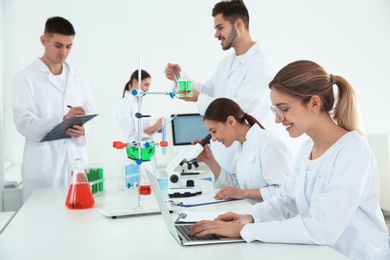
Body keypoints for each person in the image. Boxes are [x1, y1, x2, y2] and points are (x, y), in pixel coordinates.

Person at [189, 60, 390, 259]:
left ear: (314, 103)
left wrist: (244, 231)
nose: (277, 119)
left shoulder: (352, 151)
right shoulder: (308, 148)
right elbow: (287, 201)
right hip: (321, 253)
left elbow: (322, 228)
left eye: (283, 109)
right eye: (275, 110)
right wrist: (250, 218)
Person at [164, 0, 277, 173]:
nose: (216, 34)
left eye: (220, 27)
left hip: (250, 155)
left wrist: (197, 97)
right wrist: (181, 81)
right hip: (224, 158)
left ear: (238, 24)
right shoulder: (227, 63)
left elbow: (238, 111)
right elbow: (209, 91)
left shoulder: (261, 64)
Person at [11, 16, 97, 201]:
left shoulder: (78, 78)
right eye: (58, 45)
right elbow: (24, 124)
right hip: (44, 168)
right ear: (44, 40)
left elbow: (92, 118)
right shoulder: (25, 79)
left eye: (69, 46)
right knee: (44, 223)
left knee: (79, 222)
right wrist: (62, 120)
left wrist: (83, 130)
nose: (63, 52)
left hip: (76, 163)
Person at [196, 98, 292, 204]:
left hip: (273, 217)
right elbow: (236, 187)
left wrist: (243, 193)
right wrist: (210, 160)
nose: (213, 139)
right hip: (249, 213)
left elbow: (283, 191)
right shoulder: (241, 145)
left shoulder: (268, 143)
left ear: (231, 121)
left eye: (214, 131)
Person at [116, 69, 162, 177]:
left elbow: (145, 132)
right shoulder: (124, 104)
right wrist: (155, 126)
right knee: (138, 187)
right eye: (146, 84)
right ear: (135, 82)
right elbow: (132, 136)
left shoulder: (140, 103)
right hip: (134, 153)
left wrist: (157, 128)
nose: (148, 88)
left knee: (151, 183)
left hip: (147, 152)